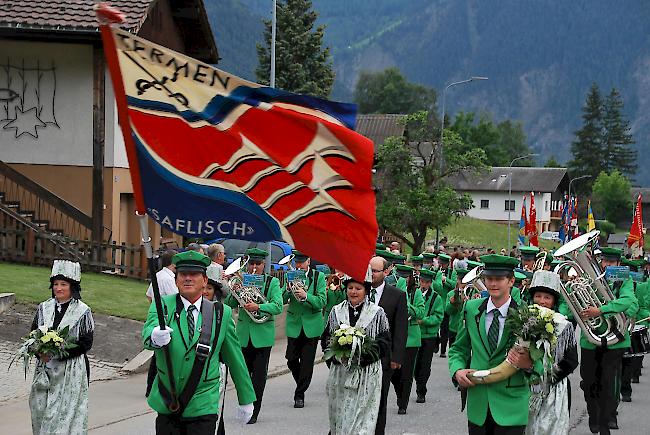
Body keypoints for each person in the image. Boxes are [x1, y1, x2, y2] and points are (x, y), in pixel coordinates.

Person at [143, 250, 256, 434]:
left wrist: (246, 398)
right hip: (167, 399)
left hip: (203, 403)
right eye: (183, 274)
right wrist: (154, 336)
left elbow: (235, 358)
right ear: (176, 279)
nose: (188, 278)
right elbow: (148, 334)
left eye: (194, 274)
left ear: (204, 281)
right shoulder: (162, 305)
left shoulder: (221, 313)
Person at [449, 254, 539, 435]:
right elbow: (459, 349)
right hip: (478, 403)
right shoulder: (471, 308)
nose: (493, 283)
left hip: (511, 405)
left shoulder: (528, 315)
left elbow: (542, 362)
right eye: (489, 278)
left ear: (511, 281)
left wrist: (529, 365)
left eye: (499, 279)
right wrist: (457, 370)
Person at [29, 260, 94, 435]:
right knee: (40, 409)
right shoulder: (45, 307)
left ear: (72, 287)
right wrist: (39, 352)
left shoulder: (82, 311)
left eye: (63, 284)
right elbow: (33, 334)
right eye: (56, 284)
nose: (58, 288)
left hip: (71, 370)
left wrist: (60, 354)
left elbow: (86, 343)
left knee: (62, 415)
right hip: (44, 369)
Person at [324, 271, 391, 435]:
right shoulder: (336, 311)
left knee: (362, 420)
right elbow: (326, 340)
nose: (353, 292)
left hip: (367, 374)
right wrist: (338, 357)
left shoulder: (377, 313)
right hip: (341, 373)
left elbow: (384, 343)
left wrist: (362, 356)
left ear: (366, 290)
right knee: (340, 416)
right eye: (351, 288)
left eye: (358, 288)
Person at [579, 247, 637, 434]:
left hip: (615, 341)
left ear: (618, 264)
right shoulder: (589, 280)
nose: (606, 265)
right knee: (588, 382)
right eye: (604, 262)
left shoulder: (625, 280)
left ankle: (605, 424)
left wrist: (601, 310)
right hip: (590, 339)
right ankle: (592, 413)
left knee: (607, 383)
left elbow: (628, 301)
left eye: (611, 263)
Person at [224, 248, 283, 424]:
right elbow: (229, 305)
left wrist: (259, 307)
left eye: (258, 264)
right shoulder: (241, 281)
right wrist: (233, 291)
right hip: (243, 335)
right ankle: (245, 405)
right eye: (251, 264)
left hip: (262, 336)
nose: (254, 267)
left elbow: (278, 306)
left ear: (264, 264)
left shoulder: (271, 282)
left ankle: (254, 412)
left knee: (258, 377)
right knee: (242, 375)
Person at [525, 270, 579, 435]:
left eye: (547, 297)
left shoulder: (563, 325)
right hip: (525, 385)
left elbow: (571, 361)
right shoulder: (521, 320)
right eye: (538, 296)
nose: (542, 301)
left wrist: (546, 381)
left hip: (554, 387)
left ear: (554, 301)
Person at [368, 256, 408, 435]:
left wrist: (397, 357)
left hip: (384, 358)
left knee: (380, 398)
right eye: (369, 270)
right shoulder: (359, 289)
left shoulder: (397, 295)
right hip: (362, 355)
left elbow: (401, 328)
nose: (372, 274)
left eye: (375, 271)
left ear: (386, 272)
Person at [283, 249, 327, 408]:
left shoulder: (318, 277)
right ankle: (302, 382)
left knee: (307, 362)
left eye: (302, 262)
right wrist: (287, 290)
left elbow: (322, 302)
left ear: (308, 261)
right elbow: (281, 299)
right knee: (291, 359)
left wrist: (306, 296)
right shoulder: (291, 275)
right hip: (294, 324)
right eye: (297, 262)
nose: (299, 265)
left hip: (312, 325)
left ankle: (299, 394)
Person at [390, 267, 424, 414]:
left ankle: (403, 403)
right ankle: (400, 395)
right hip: (394, 337)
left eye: (406, 277)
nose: (403, 280)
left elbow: (420, 312)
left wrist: (404, 299)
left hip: (411, 338)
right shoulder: (390, 291)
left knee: (407, 373)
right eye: (400, 276)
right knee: (394, 374)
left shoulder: (415, 292)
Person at [146, 250, 179, 397]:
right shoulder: (169, 279)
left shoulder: (158, 275)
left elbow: (149, 295)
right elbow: (176, 298)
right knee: (164, 355)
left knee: (157, 355)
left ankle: (150, 387)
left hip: (158, 315)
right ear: (173, 263)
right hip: (168, 318)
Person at [414, 268, 444, 403]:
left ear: (430, 283)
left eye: (426, 282)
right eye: (422, 281)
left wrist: (424, 321)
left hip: (429, 336)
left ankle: (421, 391)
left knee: (425, 365)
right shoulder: (415, 294)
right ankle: (417, 382)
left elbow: (439, 317)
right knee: (414, 364)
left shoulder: (436, 298)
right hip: (415, 335)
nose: (423, 284)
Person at [435, 253, 457, 358]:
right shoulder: (436, 271)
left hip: (446, 303)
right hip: (436, 303)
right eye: (440, 263)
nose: (442, 265)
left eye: (444, 264)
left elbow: (454, 285)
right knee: (435, 327)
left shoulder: (452, 272)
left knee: (444, 329)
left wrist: (445, 280)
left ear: (448, 264)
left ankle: (443, 350)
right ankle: (435, 342)